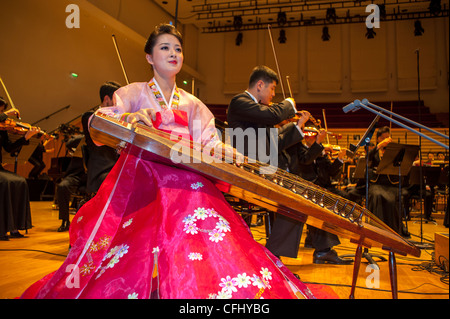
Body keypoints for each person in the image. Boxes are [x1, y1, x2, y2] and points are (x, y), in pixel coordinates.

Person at [21, 24, 330, 299]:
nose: (173, 53)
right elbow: (99, 123)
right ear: (149, 58)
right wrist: (130, 117)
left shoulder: (193, 103)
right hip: (143, 173)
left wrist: (237, 157)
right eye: (164, 48)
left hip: (185, 172)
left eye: (178, 49)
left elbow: (210, 142)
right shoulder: (133, 93)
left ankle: (193, 283)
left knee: (199, 194)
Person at [227, 65, 309, 229]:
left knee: (302, 200)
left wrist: (298, 127)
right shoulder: (240, 102)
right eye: (272, 89)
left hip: (262, 171)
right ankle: (275, 251)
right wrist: (288, 104)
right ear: (260, 85)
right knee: (295, 202)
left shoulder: (258, 110)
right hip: (248, 172)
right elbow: (272, 116)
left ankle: (320, 252)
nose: (273, 94)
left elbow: (274, 144)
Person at [278, 123, 352, 264]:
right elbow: (305, 160)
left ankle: (320, 247)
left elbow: (330, 171)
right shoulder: (296, 146)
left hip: (319, 186)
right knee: (322, 206)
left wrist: (339, 159)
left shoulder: (318, 150)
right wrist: (318, 145)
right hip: (303, 186)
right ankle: (323, 250)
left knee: (338, 200)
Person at [1, 97, 39, 240]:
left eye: (2, 110)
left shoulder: (2, 128)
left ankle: (14, 227)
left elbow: (9, 148)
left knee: (20, 181)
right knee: (5, 182)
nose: (2, 113)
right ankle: (2, 229)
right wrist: (8, 113)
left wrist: (26, 137)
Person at [367, 126, 407, 236]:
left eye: (388, 137)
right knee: (377, 196)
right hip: (377, 183)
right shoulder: (375, 151)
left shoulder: (394, 151)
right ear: (379, 139)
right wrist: (379, 146)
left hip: (391, 184)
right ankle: (377, 229)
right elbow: (367, 157)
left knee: (391, 199)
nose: (387, 139)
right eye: (384, 137)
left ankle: (392, 229)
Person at [55, 133, 86, 232]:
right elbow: (69, 143)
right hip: (76, 173)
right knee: (62, 187)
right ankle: (65, 220)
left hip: (92, 174)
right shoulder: (82, 138)